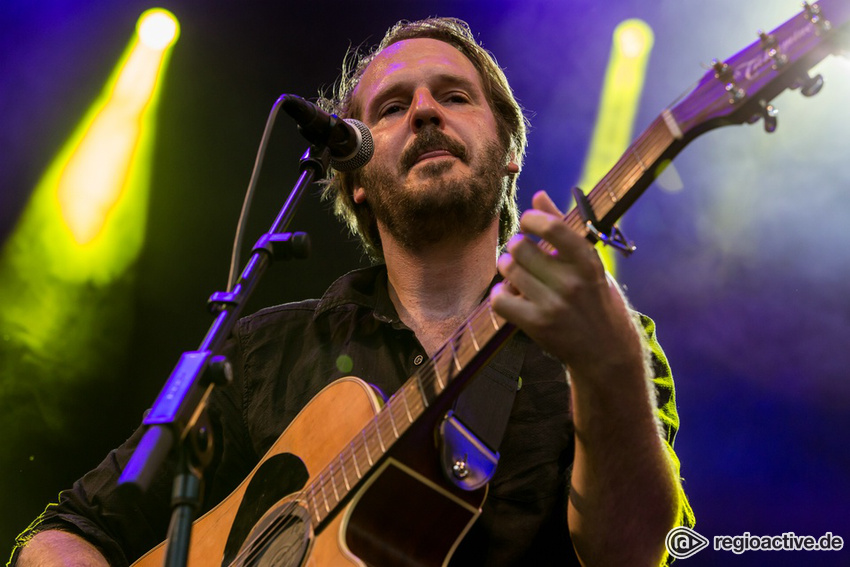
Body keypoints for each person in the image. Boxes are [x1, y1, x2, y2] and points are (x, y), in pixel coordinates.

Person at [12, 16, 693, 567]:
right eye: (393, 108)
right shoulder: (264, 348)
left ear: (508, 149)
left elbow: (630, 552)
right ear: (356, 176)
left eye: (454, 96)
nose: (425, 112)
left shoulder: (602, 345)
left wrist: (605, 364)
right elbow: (65, 533)